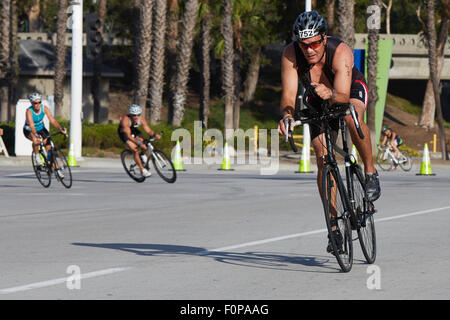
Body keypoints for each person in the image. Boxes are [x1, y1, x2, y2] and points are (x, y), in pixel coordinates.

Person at [277, 11, 381, 254]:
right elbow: (289, 96)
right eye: (304, 44)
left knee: (349, 114)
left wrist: (332, 94)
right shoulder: (291, 54)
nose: (309, 49)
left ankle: (370, 170)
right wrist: (287, 115)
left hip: (347, 90)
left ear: (324, 39)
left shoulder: (340, 51)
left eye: (314, 43)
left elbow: (343, 96)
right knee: (323, 159)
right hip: (317, 98)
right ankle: (333, 226)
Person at [23, 92, 67, 177]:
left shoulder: (44, 108)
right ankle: (37, 157)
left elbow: (52, 120)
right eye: (35, 103)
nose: (38, 105)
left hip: (41, 129)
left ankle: (57, 171)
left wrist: (60, 128)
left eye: (39, 102)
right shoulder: (29, 111)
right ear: (32, 103)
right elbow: (31, 125)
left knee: (49, 150)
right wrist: (35, 134)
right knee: (36, 141)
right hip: (29, 130)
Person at [118, 104, 161, 178]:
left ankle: (142, 155)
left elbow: (148, 130)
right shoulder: (125, 121)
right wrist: (138, 142)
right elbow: (128, 136)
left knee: (145, 146)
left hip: (134, 131)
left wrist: (154, 134)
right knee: (135, 149)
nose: (136, 117)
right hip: (124, 133)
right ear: (130, 114)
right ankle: (142, 170)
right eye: (134, 115)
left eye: (138, 114)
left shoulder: (141, 118)